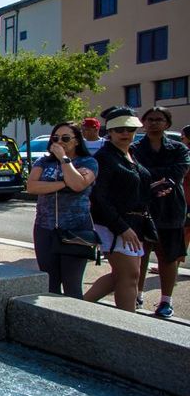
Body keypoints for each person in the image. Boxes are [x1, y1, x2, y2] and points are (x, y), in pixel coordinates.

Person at [84, 107, 158, 312]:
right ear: (110, 132)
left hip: (132, 223)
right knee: (130, 276)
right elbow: (99, 198)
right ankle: (128, 325)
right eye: (119, 130)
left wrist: (153, 190)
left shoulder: (130, 153)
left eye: (130, 129)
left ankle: (77, 308)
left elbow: (130, 187)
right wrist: (121, 227)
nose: (125, 134)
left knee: (122, 275)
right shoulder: (105, 157)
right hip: (115, 225)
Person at [26, 122, 97, 298]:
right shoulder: (43, 161)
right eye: (55, 138)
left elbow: (79, 184)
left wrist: (64, 160)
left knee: (72, 285)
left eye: (65, 138)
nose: (60, 142)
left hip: (76, 229)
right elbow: (32, 186)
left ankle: (75, 323)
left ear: (77, 141)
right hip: (45, 228)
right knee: (50, 283)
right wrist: (63, 184)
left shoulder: (88, 162)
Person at [131, 107, 190, 318]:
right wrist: (157, 178)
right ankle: (136, 294)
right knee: (140, 254)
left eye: (159, 119)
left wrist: (150, 177)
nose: (154, 123)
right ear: (143, 123)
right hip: (142, 209)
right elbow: (135, 173)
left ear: (167, 123)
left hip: (171, 210)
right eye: (150, 119)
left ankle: (166, 301)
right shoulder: (135, 148)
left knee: (168, 257)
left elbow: (178, 172)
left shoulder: (179, 149)